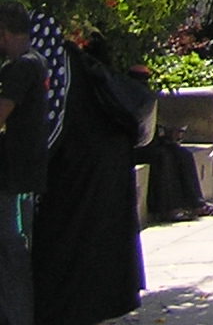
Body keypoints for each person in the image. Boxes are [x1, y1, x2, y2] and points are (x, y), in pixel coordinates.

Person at [32, 31, 149, 325]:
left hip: (79, 175)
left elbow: (50, 134)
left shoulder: (63, 72)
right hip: (99, 173)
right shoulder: (83, 74)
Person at [0, 3, 49, 325]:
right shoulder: (36, 63)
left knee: (12, 255)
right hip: (23, 176)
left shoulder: (21, 68)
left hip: (15, 179)